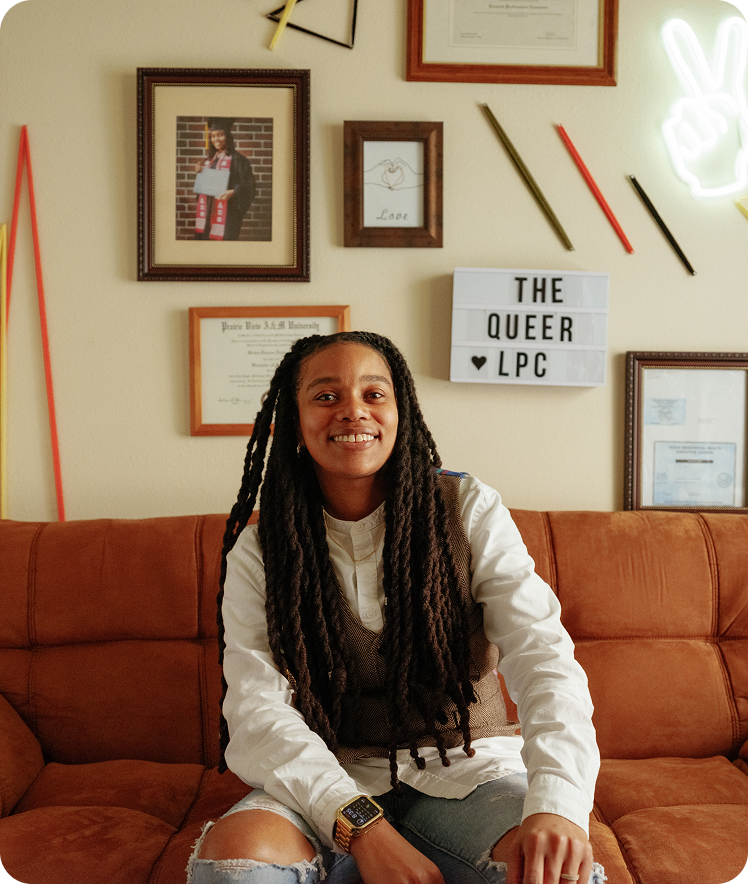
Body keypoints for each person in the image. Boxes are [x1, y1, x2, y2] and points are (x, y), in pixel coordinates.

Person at [188, 331, 606, 884]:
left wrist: (557, 799)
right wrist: (361, 826)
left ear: (400, 408)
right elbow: (257, 711)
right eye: (326, 395)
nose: (353, 411)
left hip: (468, 769)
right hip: (325, 782)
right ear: (294, 419)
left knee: (551, 871)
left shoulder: (468, 510)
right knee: (234, 866)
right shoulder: (263, 551)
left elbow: (542, 655)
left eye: (374, 393)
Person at [194, 117, 256, 241]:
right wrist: (200, 173)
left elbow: (249, 184)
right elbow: (204, 188)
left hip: (228, 214)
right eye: (213, 136)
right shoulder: (209, 161)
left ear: (227, 136)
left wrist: (232, 192)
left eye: (220, 135)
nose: (216, 139)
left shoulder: (239, 160)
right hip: (208, 212)